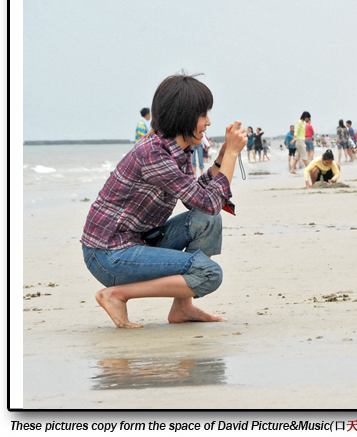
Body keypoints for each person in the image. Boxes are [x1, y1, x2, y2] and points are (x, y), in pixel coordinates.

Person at [81, 72, 247, 329]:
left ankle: (182, 307)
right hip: (109, 255)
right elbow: (210, 201)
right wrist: (232, 155)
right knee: (208, 274)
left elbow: (199, 203)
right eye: (203, 115)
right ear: (184, 116)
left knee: (207, 220)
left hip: (140, 240)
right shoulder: (154, 154)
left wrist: (221, 157)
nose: (208, 122)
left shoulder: (177, 150)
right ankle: (116, 295)